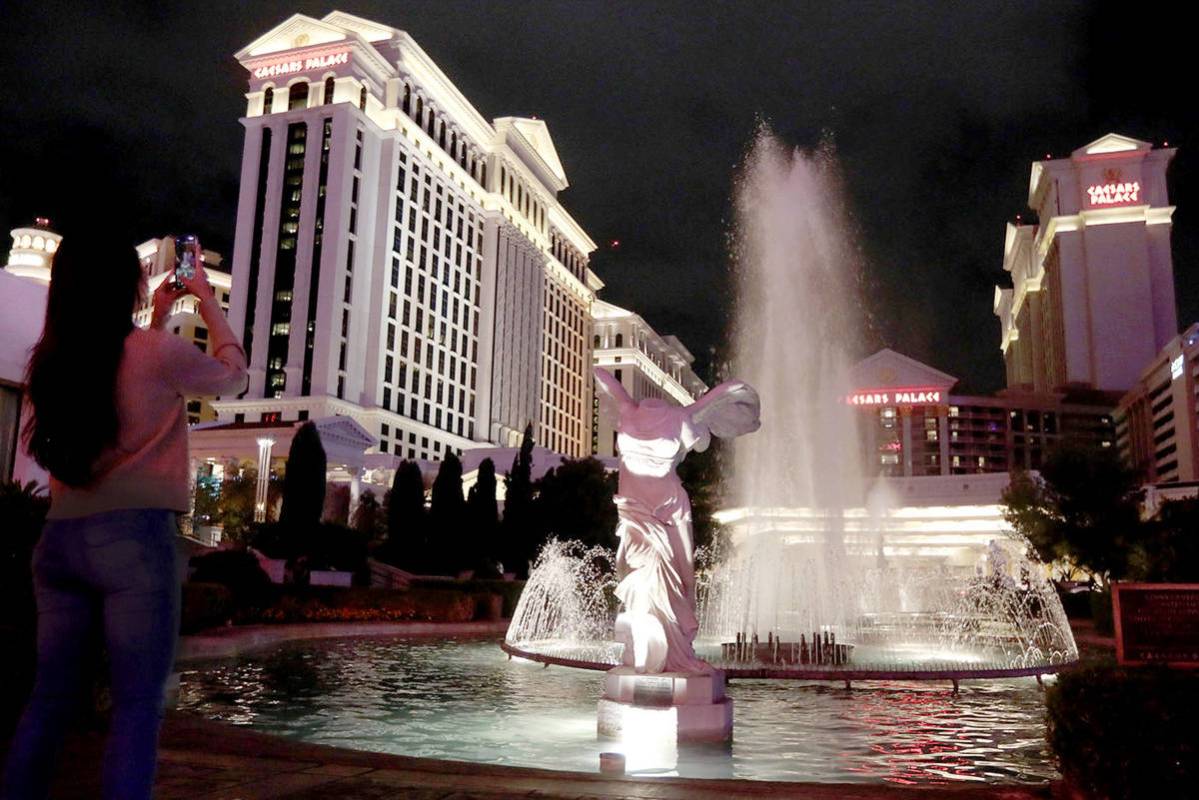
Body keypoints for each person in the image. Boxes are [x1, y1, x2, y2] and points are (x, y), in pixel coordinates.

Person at [2, 230, 247, 800]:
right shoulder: (154, 354)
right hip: (136, 543)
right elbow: (234, 376)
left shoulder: (52, 363)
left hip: (60, 539)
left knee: (49, 701)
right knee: (136, 709)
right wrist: (207, 304)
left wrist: (158, 317)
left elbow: (120, 377)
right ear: (127, 286)